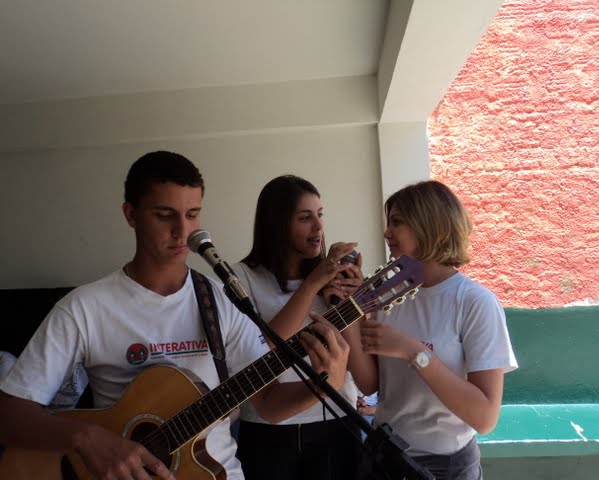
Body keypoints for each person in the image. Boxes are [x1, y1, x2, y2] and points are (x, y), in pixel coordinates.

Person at [0, 151, 350, 480]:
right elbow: (9, 415)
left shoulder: (221, 301)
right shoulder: (84, 308)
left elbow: (268, 404)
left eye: (192, 214)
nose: (183, 231)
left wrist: (326, 385)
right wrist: (87, 438)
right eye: (165, 214)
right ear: (131, 214)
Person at [347, 180, 518, 480]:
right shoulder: (386, 297)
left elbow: (485, 417)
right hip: (384, 458)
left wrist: (412, 351)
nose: (387, 233)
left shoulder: (474, 302)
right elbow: (371, 384)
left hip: (446, 467)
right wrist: (349, 313)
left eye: (397, 222)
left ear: (429, 225)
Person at [232, 174, 364, 480]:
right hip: (268, 432)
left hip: (336, 422)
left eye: (320, 215)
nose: (319, 227)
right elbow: (261, 349)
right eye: (305, 218)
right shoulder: (242, 277)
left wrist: (353, 303)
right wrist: (312, 283)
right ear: (277, 224)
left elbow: (361, 369)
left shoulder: (334, 277)